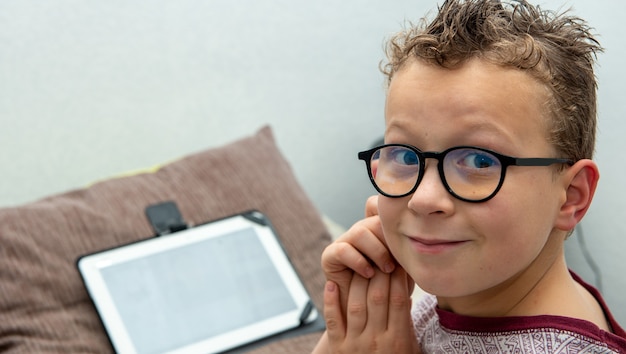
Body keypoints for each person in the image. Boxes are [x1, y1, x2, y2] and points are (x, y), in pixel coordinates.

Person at [312, 0, 626, 352]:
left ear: (571, 196)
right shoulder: (472, 287)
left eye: (479, 162)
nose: (424, 199)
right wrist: (352, 319)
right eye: (404, 156)